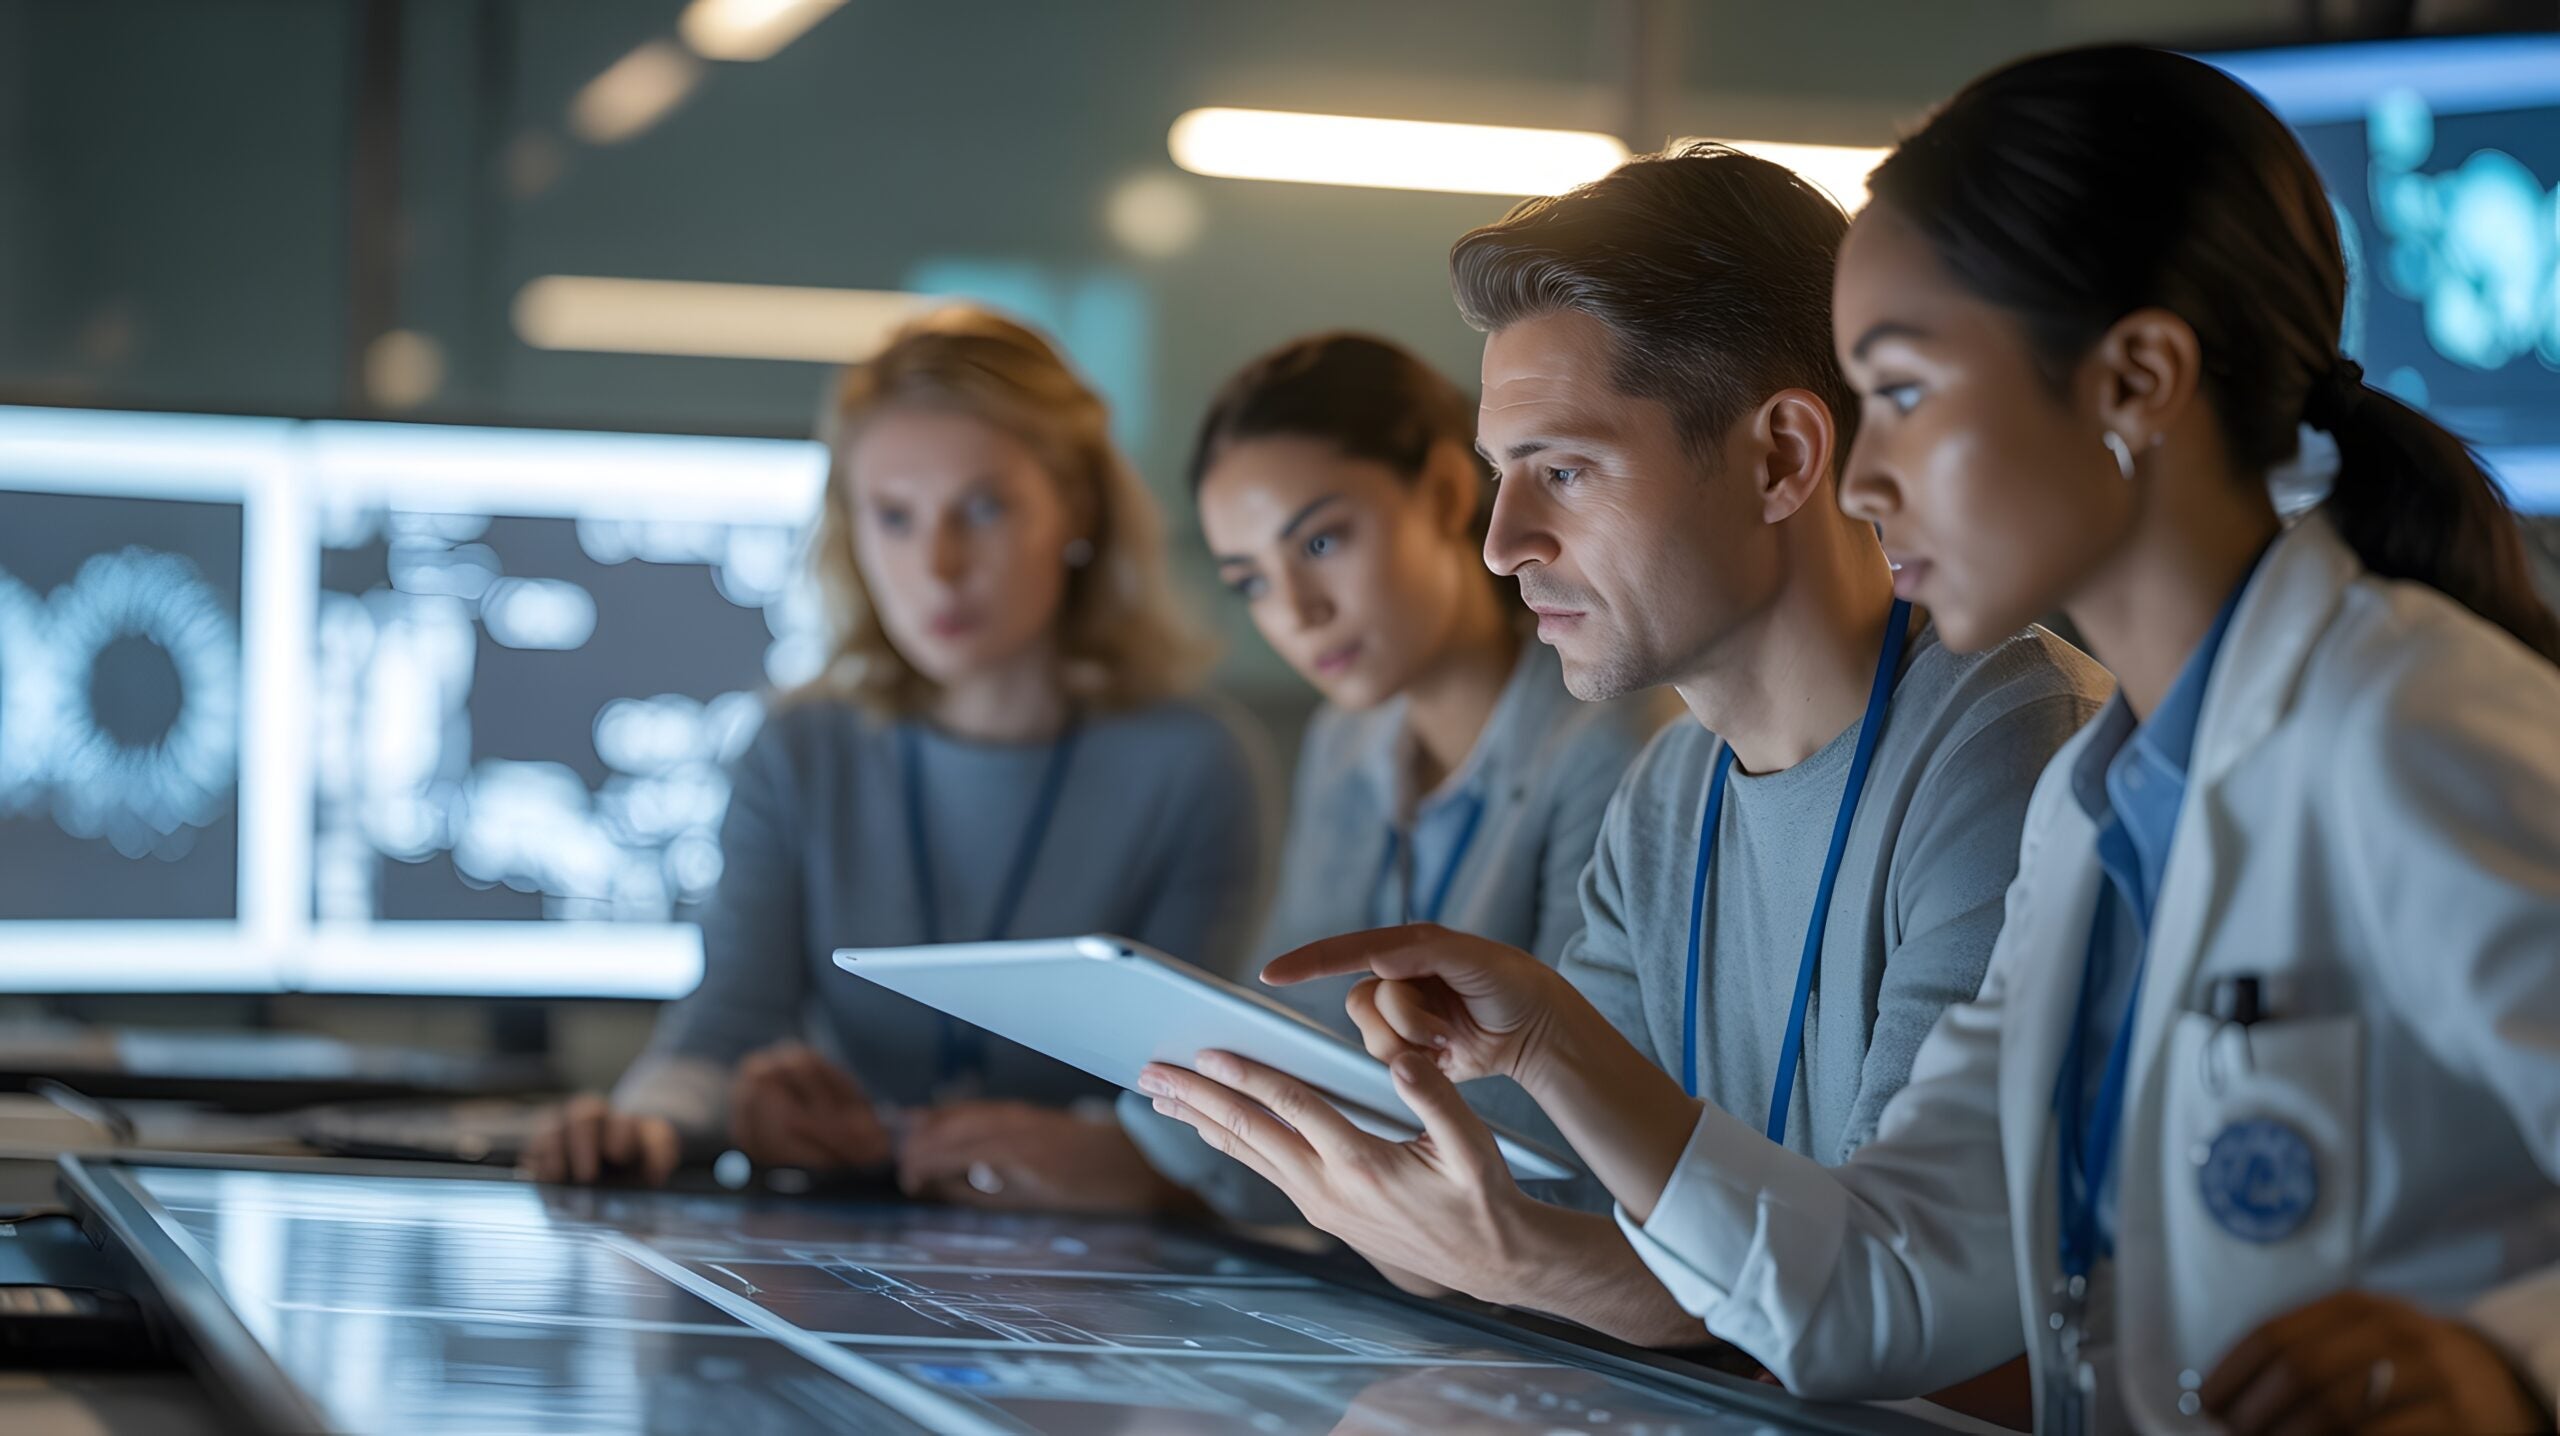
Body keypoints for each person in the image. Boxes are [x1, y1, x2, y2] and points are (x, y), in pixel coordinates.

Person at [1233, 47, 2560, 1436]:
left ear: (2138, 384)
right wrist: (1553, 1050)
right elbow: (1882, 1282)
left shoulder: (2407, 720)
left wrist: (2516, 1363)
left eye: (1908, 393)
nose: (1861, 475)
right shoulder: (2094, 804)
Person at [1142, 146, 2110, 1348]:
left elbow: (1902, 1308)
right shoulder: (1668, 787)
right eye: (1504, 476)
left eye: (1563, 470)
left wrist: (1508, 1256)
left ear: (1781, 459)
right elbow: (1568, 1196)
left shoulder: (2018, 747)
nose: (1502, 542)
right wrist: (1450, 1183)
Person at [523, 308, 1269, 1212]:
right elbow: (722, 1032)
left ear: (1073, 508)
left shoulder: (1193, 764)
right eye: (895, 517)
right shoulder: (800, 749)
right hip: (857, 1240)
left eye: (983, 509)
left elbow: (1204, 1101)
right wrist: (642, 1128)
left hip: (1102, 1270)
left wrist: (1108, 1153)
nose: (939, 566)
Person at [1114, 332, 1674, 1219]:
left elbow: (1577, 1106)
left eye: (1324, 541)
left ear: (1450, 491)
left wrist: (1160, 1160)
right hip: (1378, 1243)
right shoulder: (1346, 741)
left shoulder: (1607, 739)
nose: (1297, 612)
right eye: (1251, 581)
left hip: (1531, 1254)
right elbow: (1297, 1024)